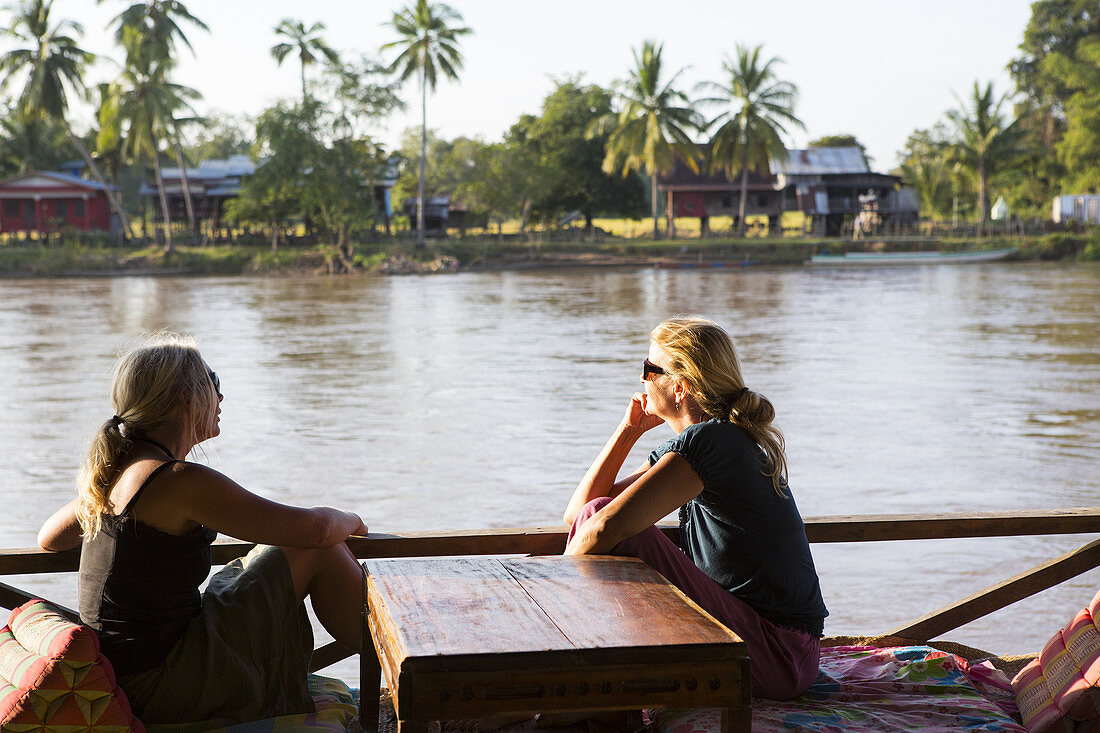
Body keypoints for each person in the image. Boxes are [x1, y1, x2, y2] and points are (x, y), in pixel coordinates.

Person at [37, 333, 369, 724]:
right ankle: (404, 665)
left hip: (126, 675)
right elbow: (314, 530)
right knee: (320, 548)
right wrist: (353, 520)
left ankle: (400, 664)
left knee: (271, 557)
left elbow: (49, 538)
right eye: (215, 383)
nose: (221, 398)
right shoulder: (176, 480)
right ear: (185, 396)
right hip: (165, 688)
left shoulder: (117, 472)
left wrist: (98, 504)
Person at [563, 316, 828, 700]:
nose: (641, 380)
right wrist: (628, 429)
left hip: (777, 653)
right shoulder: (709, 440)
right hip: (774, 650)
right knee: (600, 516)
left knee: (609, 525)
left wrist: (557, 593)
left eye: (648, 369)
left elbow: (602, 528)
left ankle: (564, 657)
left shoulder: (712, 441)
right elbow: (579, 513)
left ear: (680, 386)